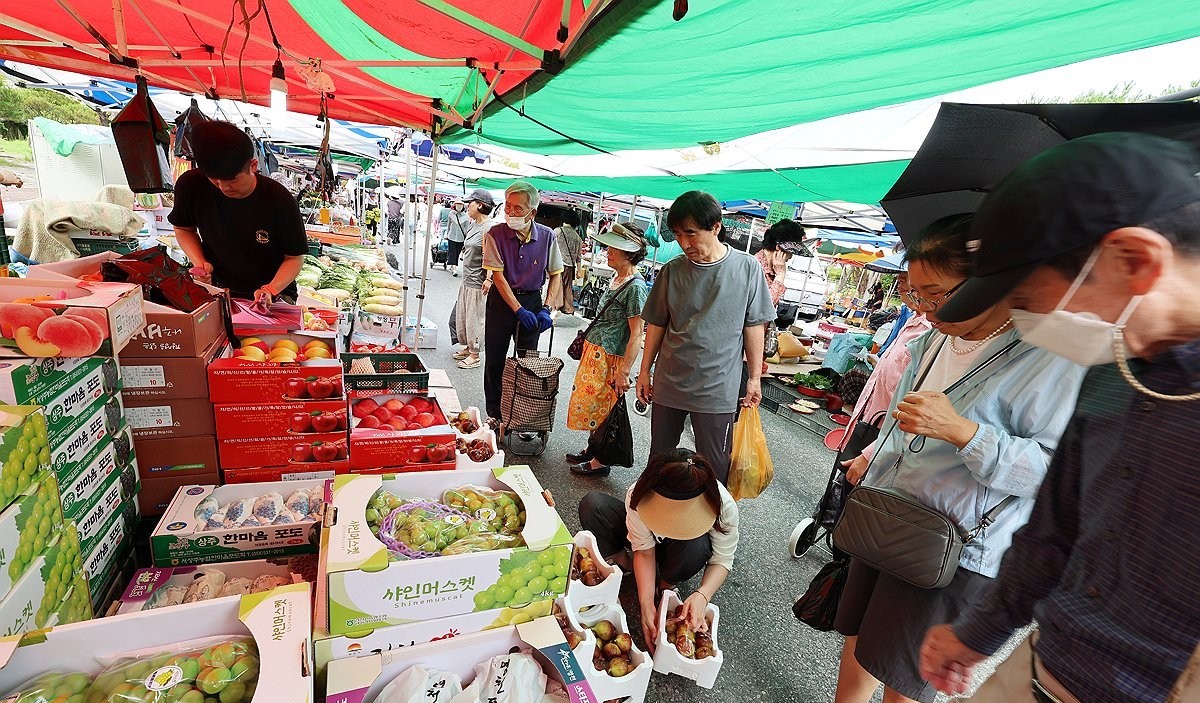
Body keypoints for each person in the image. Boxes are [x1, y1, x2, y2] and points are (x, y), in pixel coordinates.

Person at [917, 133, 1200, 703]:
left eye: (1027, 299)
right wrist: (979, 634)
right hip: (1041, 669)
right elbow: (1055, 528)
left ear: (1134, 261)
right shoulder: (1113, 370)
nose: (1022, 321)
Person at [833, 214, 1086, 703]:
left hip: (954, 547)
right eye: (915, 294)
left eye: (939, 294)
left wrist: (965, 433)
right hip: (890, 517)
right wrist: (871, 454)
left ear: (993, 279)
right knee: (861, 642)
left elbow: (1054, 473)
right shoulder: (933, 341)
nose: (925, 310)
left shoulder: (1049, 356)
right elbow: (901, 418)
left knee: (904, 678)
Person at [637, 191, 776, 484]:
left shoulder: (747, 268)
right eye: (677, 235)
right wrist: (644, 372)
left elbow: (754, 326)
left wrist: (754, 378)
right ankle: (652, 518)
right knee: (660, 458)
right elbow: (657, 325)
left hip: (717, 388)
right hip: (670, 381)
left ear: (715, 227)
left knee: (713, 465)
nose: (684, 243)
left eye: (691, 233)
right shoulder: (672, 271)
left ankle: (711, 524)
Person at [578, 448, 739, 653]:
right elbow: (644, 550)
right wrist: (645, 604)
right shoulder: (639, 492)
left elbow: (723, 559)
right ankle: (625, 564)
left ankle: (666, 586)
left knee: (697, 546)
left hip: (682, 549)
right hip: (645, 544)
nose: (670, 525)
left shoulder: (723, 505)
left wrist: (702, 595)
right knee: (594, 506)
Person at [168, 121, 306, 303]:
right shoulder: (192, 185)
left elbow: (294, 258)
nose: (224, 187)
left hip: (274, 292)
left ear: (253, 165)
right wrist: (200, 262)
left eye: (232, 180)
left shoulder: (279, 199)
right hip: (218, 288)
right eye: (215, 181)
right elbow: (184, 228)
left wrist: (270, 290)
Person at [565, 222, 651, 476]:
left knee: (605, 406)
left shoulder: (635, 287)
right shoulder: (617, 277)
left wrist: (624, 371)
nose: (607, 251)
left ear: (629, 253)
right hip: (596, 352)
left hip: (611, 357)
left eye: (614, 247)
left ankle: (601, 461)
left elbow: (637, 333)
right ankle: (593, 448)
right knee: (593, 403)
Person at [481, 181, 563, 424]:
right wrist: (518, 310)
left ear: (533, 212)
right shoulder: (494, 234)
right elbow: (498, 276)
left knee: (528, 362)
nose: (511, 212)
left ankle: (522, 413)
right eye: (507, 206)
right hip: (502, 301)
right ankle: (494, 412)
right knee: (495, 360)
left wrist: (547, 308)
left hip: (532, 299)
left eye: (518, 208)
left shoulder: (547, 236)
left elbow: (556, 273)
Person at [451, 189, 496, 370]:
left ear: (480, 205)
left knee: (475, 320)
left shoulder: (488, 227)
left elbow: (492, 255)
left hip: (478, 283)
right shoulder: (473, 224)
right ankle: (468, 348)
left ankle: (475, 355)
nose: (466, 206)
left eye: (470, 203)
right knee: (463, 318)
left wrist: (489, 279)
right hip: (467, 280)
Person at [755, 218, 807, 305]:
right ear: (779, 248)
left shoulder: (770, 270)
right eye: (791, 252)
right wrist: (780, 275)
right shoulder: (755, 268)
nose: (790, 257)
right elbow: (765, 307)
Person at [554, 210, 584, 314]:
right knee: (567, 288)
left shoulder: (558, 231)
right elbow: (579, 257)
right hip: (570, 267)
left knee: (555, 287)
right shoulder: (578, 238)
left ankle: (553, 308)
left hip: (557, 265)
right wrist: (579, 271)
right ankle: (567, 308)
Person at [443, 200, 468, 276]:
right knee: (452, 252)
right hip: (452, 236)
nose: (459, 206)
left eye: (461, 204)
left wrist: (466, 237)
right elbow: (448, 225)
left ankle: (452, 266)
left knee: (457, 252)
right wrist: (446, 234)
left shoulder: (465, 216)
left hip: (461, 238)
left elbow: (467, 228)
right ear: (455, 205)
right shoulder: (451, 214)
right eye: (458, 204)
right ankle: (454, 268)